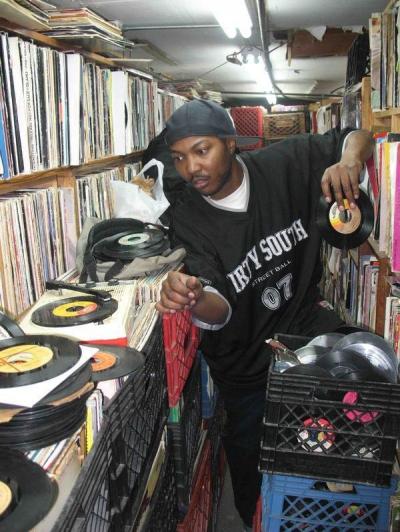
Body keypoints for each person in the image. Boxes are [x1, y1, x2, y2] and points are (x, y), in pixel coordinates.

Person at [155, 99, 373, 530]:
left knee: (348, 426)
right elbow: (218, 305)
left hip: (304, 333)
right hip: (244, 367)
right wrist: (194, 296)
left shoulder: (285, 162)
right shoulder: (187, 218)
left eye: (202, 150)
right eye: (179, 158)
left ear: (230, 143)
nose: (191, 167)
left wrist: (349, 161)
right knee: (253, 479)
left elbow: (357, 135)